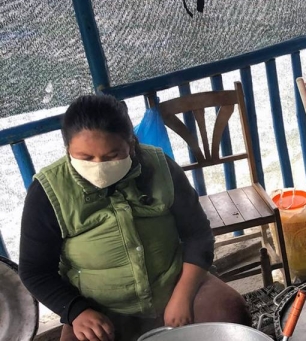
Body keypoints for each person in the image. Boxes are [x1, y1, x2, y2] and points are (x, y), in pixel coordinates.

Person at [19, 95, 251, 341]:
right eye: (86, 158)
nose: (99, 166)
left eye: (112, 156)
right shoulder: (47, 193)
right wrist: (76, 311)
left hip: (173, 286)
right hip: (100, 307)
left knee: (230, 312)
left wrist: (182, 296)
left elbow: (198, 235)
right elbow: (35, 270)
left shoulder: (160, 167)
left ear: (130, 143)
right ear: (68, 150)